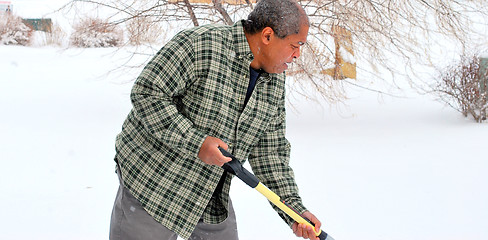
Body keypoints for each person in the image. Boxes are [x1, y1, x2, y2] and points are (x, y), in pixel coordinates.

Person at [110, 0, 323, 239]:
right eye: (296, 45)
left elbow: (270, 152)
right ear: (267, 36)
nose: (297, 55)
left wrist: (294, 209)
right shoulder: (200, 44)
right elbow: (147, 92)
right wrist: (196, 142)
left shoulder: (274, 80)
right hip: (154, 182)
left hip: (209, 190)